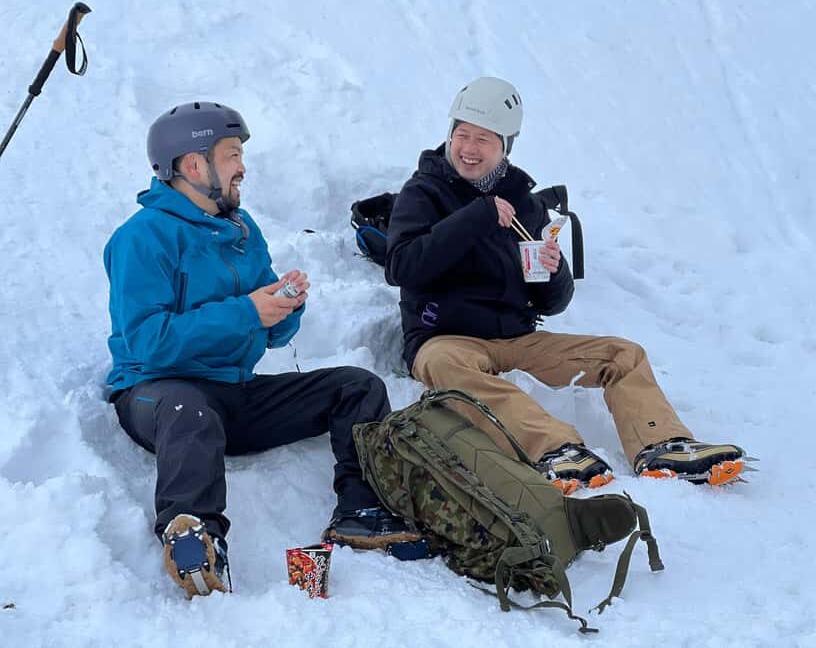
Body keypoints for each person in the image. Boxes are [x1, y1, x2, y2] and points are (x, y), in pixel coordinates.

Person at [104, 102, 420, 598]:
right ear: (193, 165)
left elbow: (271, 335)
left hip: (235, 393)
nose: (242, 167)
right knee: (191, 409)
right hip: (159, 396)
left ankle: (361, 510)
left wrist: (284, 306)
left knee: (356, 387)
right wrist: (246, 312)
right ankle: (195, 538)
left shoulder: (241, 228)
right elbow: (148, 341)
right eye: (232, 155)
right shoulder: (140, 238)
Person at [385, 77, 753, 495]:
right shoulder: (423, 192)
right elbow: (402, 267)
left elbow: (553, 301)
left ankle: (662, 443)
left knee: (623, 354)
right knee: (442, 365)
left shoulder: (525, 201)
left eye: (483, 139)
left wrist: (553, 269)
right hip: (446, 338)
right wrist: (476, 217)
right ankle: (555, 449)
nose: (468, 148)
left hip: (517, 339)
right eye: (461, 134)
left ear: (505, 145)